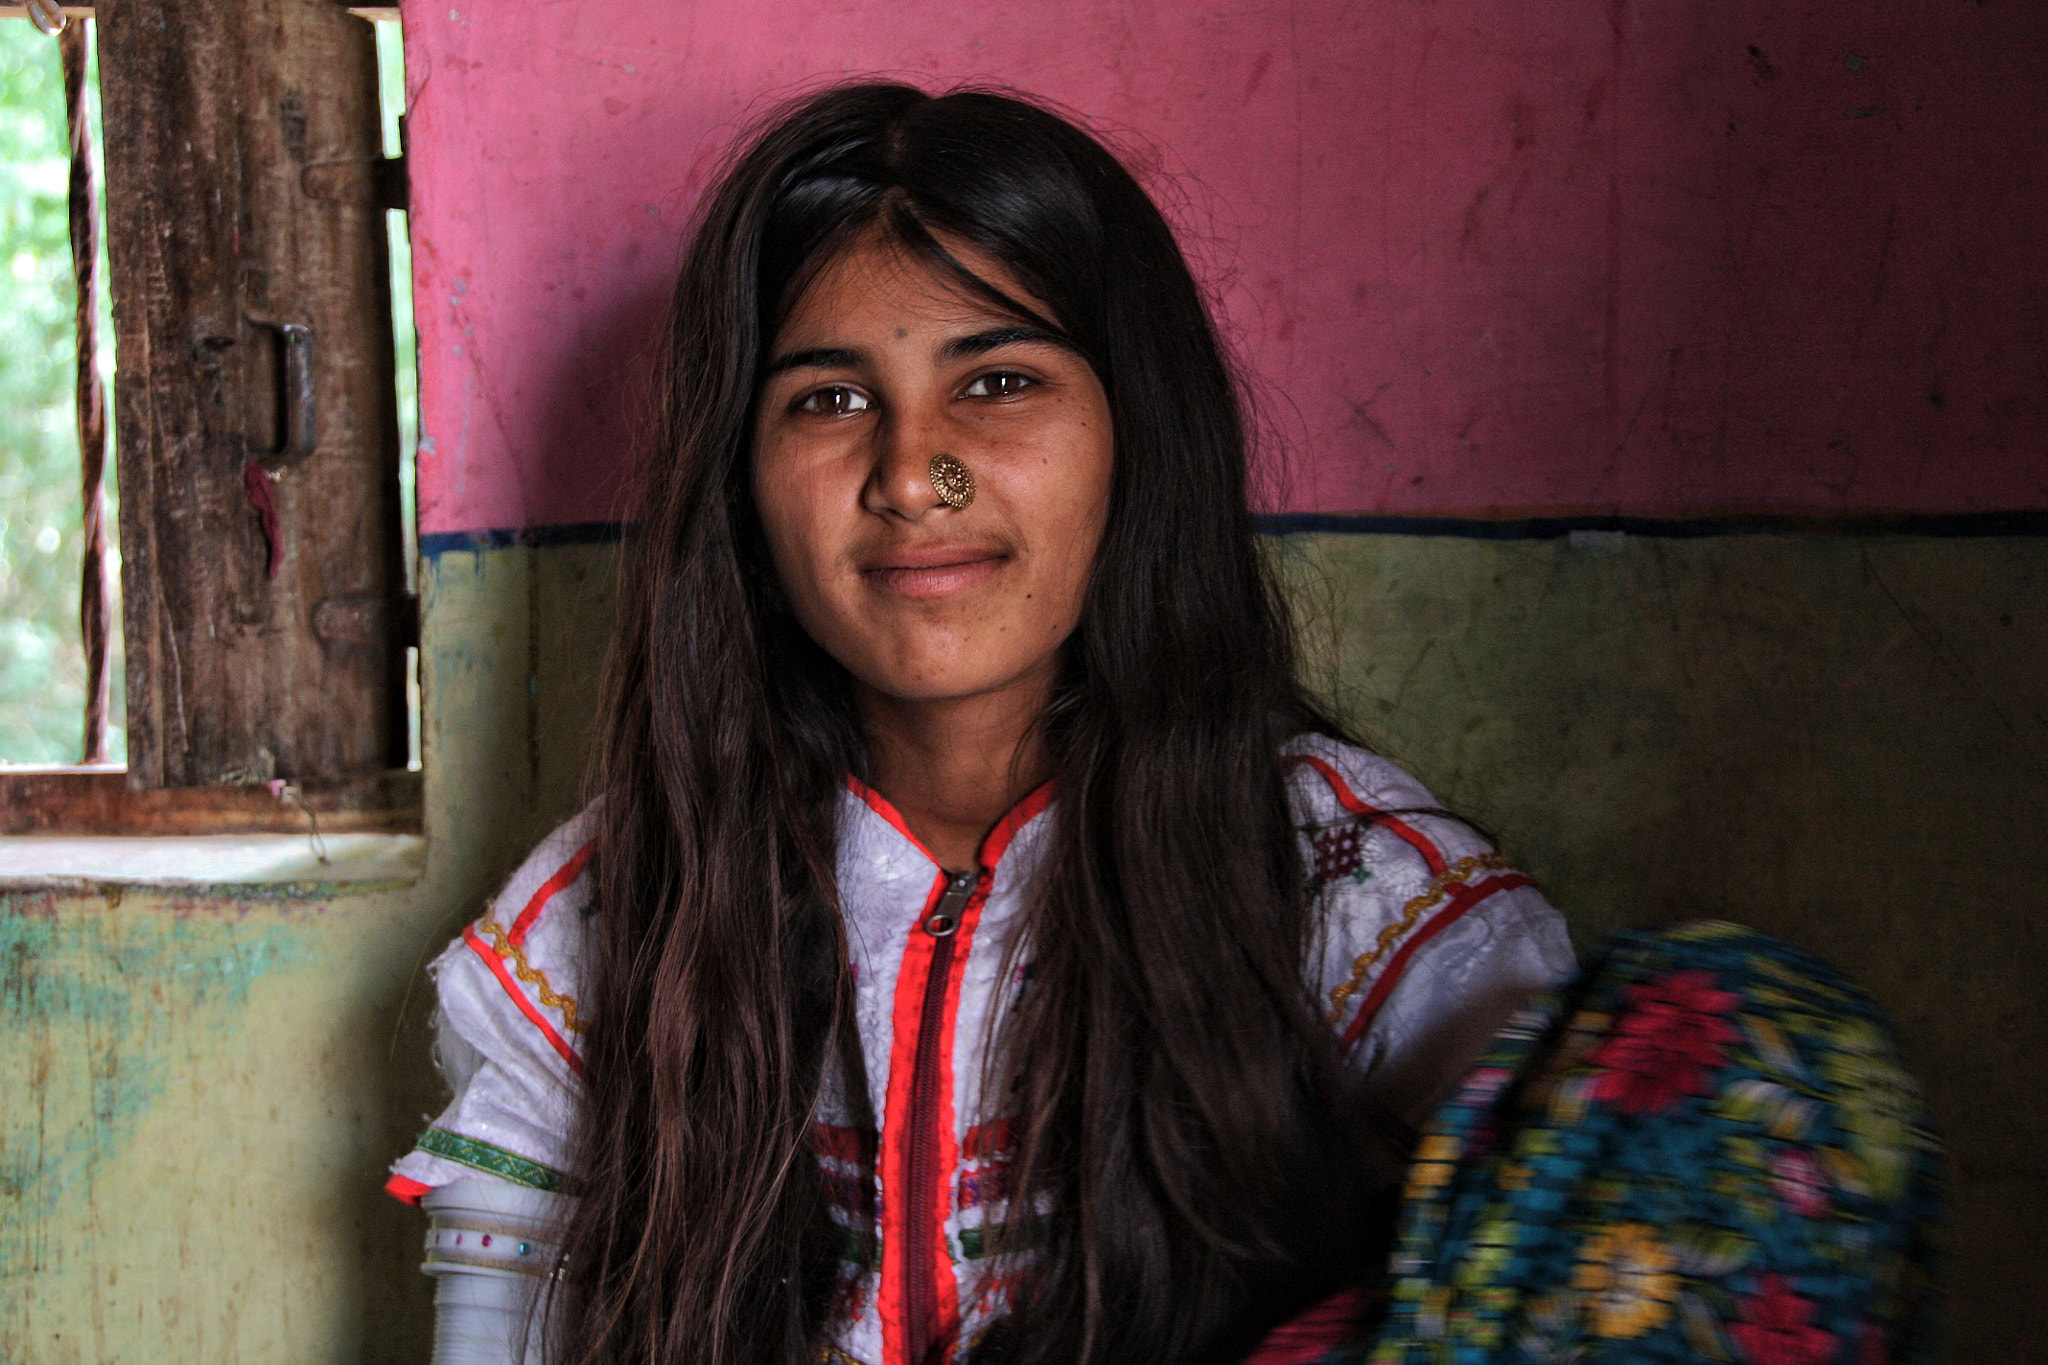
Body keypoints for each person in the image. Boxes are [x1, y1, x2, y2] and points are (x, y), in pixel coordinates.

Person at [386, 84, 1939, 1365]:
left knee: (1747, 1041)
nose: (914, 470)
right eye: (830, 399)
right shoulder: (611, 913)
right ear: (738, 479)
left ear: (1139, 438)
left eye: (996, 381)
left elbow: (1552, 1228)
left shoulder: (1328, 866)